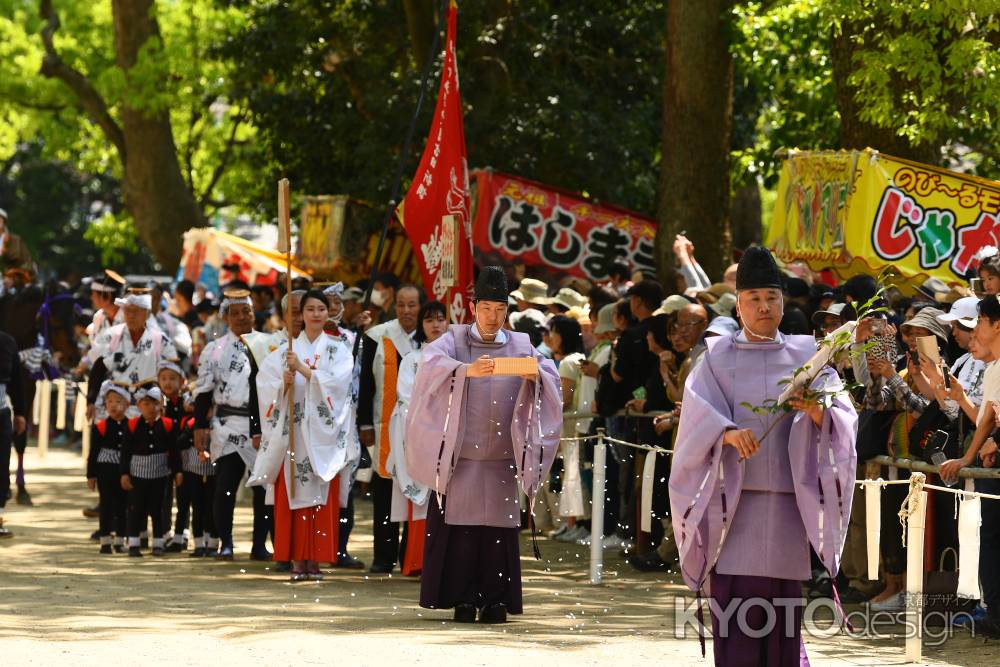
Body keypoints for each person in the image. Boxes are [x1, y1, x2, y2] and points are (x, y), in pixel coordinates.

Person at [669, 246, 857, 664]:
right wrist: (727, 433)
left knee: (783, 619)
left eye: (771, 298)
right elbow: (698, 413)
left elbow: (844, 415)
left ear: (782, 301)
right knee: (737, 617)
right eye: (753, 299)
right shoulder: (716, 358)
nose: (764, 307)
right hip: (734, 509)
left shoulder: (808, 355)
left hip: (789, 505)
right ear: (738, 306)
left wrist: (817, 412)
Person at [405, 266, 562, 623]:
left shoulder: (521, 344)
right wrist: (464, 371)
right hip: (462, 456)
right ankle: (461, 598)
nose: (493, 317)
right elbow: (429, 366)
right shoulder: (454, 339)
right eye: (486, 308)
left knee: (499, 533)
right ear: (474, 307)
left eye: (500, 310)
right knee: (461, 532)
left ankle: (496, 600)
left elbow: (551, 375)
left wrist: (535, 374)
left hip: (502, 456)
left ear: (508, 311)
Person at [249, 289, 358, 581]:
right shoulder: (285, 351)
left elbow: (339, 386)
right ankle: (297, 559)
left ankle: (317, 559)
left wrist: (304, 371)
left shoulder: (339, 349)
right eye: (309, 309)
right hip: (294, 431)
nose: (316, 314)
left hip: (322, 435)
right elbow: (266, 391)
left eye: (321, 309)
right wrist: (283, 385)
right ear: (301, 314)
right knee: (294, 493)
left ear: (329, 312)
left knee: (320, 494)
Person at [193, 288, 271, 562]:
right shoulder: (214, 350)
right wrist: (199, 427)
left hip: (262, 426)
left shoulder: (268, 345)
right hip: (227, 423)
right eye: (235, 313)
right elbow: (203, 392)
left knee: (263, 488)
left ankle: (259, 544)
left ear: (254, 314)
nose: (241, 318)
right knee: (224, 486)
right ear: (225, 316)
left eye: (246, 312)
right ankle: (225, 542)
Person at [358, 284, 424, 574]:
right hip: (383, 425)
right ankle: (383, 555)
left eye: (412, 305)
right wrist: (363, 424)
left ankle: (410, 554)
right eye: (401, 304)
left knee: (416, 489)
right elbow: (365, 384)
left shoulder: (431, 339)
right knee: (384, 489)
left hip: (420, 428)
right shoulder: (377, 335)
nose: (406, 311)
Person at [386, 300, 449, 576]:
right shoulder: (412, 360)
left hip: (450, 435)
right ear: (422, 326)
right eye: (429, 320)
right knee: (422, 500)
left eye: (440, 319)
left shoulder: (458, 359)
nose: (435, 325)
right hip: (420, 437)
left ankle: (447, 562)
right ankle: (419, 561)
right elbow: (407, 398)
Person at [87, 286, 178, 420]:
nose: (130, 316)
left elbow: (172, 373)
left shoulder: (160, 340)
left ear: (147, 313)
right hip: (114, 409)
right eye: (127, 311)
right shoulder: (111, 336)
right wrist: (91, 401)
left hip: (149, 410)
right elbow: (98, 369)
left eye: (136, 311)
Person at [121, 386, 181, 557]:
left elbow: (174, 451)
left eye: (154, 404)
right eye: (146, 404)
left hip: (160, 475)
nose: (150, 408)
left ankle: (158, 543)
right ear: (139, 406)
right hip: (137, 475)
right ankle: (133, 543)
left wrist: (178, 471)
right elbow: (125, 452)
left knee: (158, 510)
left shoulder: (168, 425)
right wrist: (124, 473)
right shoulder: (132, 425)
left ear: (161, 405)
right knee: (135, 509)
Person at [87, 381, 131, 553]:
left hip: (124, 471)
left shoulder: (131, 425)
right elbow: (93, 452)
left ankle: (120, 541)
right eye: (110, 401)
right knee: (105, 506)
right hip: (105, 471)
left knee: (122, 506)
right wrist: (91, 475)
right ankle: (105, 541)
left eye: (118, 401)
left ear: (127, 404)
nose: (113, 405)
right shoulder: (100, 427)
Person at [0, 329, 26, 537]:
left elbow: (16, 381)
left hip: (1, 413)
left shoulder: (7, 342)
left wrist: (20, 412)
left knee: (1, 465)